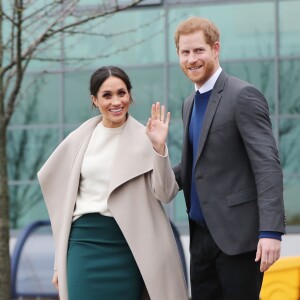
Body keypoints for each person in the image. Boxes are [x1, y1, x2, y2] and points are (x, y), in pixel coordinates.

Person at [37, 66, 189, 300]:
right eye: (107, 95)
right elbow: (61, 206)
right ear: (94, 100)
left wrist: (159, 148)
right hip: (83, 243)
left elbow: (166, 193)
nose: (116, 101)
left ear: (130, 95)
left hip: (128, 246)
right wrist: (59, 261)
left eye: (122, 93)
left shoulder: (146, 137)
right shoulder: (80, 139)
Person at [173, 17, 286, 300]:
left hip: (238, 239)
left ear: (215, 49)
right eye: (185, 52)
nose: (192, 59)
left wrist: (271, 230)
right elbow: (192, 168)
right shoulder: (188, 104)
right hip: (200, 239)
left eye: (199, 50)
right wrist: (151, 161)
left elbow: (267, 167)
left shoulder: (242, 95)